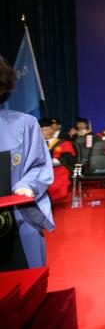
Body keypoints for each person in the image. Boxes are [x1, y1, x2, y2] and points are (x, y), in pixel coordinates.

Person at [0, 55, 54, 271]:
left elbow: (39, 165)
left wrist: (27, 185)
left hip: (17, 220)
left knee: (25, 283)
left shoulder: (24, 124)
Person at [40, 118, 77, 202]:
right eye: (42, 130)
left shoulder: (64, 143)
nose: (48, 131)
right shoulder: (37, 145)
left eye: (49, 129)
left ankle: (51, 201)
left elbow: (68, 158)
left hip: (59, 169)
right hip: (42, 170)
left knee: (53, 184)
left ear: (52, 131)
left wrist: (51, 162)